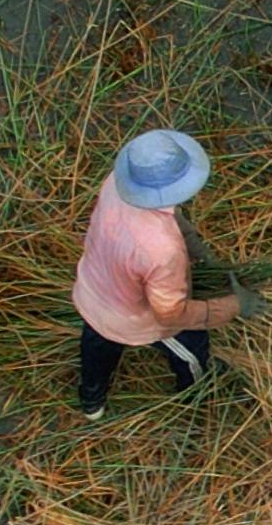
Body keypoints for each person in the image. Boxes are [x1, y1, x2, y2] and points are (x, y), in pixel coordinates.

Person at [70, 128, 239, 420]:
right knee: (191, 348)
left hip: (92, 292)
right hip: (134, 317)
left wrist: (194, 245)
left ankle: (91, 402)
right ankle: (193, 399)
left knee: (97, 348)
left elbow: (165, 213)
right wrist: (235, 305)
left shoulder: (116, 183)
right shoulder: (163, 250)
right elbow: (171, 315)